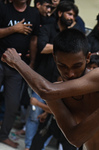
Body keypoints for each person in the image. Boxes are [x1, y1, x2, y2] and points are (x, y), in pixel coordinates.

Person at [1, 28, 99, 150]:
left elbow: (46, 90)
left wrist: (17, 63)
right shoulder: (56, 93)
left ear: (88, 57)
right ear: (54, 59)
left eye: (77, 66)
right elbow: (76, 139)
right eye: (63, 66)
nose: (70, 73)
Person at [24, 1, 81, 150]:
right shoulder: (48, 29)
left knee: (50, 116)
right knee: (34, 115)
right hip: (42, 77)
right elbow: (42, 47)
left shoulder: (70, 35)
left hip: (59, 81)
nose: (71, 18)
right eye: (69, 14)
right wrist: (63, 46)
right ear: (60, 13)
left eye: (73, 16)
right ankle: (29, 146)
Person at [0, 0, 40, 148]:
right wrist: (14, 29)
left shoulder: (33, 13)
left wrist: (31, 63)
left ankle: (3, 135)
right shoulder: (4, 8)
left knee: (13, 104)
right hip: (0, 61)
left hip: (17, 67)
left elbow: (34, 39)